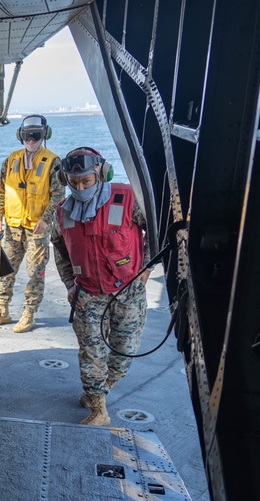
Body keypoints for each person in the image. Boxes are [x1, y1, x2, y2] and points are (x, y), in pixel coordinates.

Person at [51, 147, 151, 426]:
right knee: (92, 353)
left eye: (86, 181)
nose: (80, 187)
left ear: (101, 174)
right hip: (88, 296)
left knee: (124, 352)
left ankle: (101, 388)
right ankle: (98, 407)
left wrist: (148, 266)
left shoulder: (127, 198)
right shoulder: (63, 213)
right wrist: (70, 284)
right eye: (73, 182)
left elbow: (157, 230)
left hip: (127, 292)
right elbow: (59, 249)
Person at [0, 114, 64, 333]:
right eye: (27, 136)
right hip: (13, 227)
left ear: (44, 135)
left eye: (35, 136)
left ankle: (29, 313)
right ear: (20, 136)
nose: (31, 140)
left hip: (37, 229)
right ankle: (2, 309)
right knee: (5, 270)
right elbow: (2, 192)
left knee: (35, 272)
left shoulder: (53, 162)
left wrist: (45, 219)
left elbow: (58, 195)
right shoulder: (11, 160)